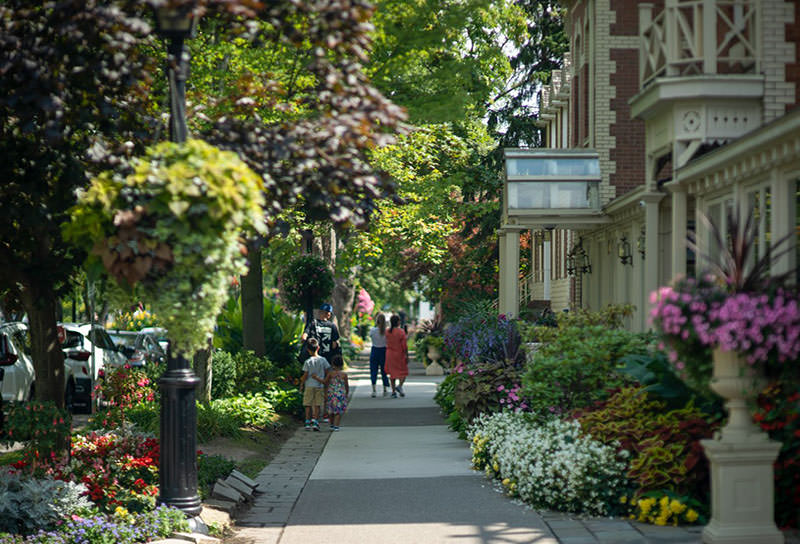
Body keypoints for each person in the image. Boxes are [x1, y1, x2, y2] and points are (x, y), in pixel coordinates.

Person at [300, 338, 330, 431]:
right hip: (319, 385)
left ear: (308, 350)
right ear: (318, 348)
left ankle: (307, 422)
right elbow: (327, 371)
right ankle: (316, 422)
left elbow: (305, 375)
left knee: (308, 404)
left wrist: (301, 383)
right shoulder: (323, 360)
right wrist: (323, 380)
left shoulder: (308, 361)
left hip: (309, 385)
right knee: (317, 405)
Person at [384, 314, 409, 398]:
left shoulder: (387, 331)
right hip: (399, 354)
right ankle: (400, 386)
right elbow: (404, 345)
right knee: (403, 372)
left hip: (389, 354)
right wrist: (407, 355)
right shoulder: (401, 332)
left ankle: (393, 391)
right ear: (398, 322)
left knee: (392, 374)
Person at [324, 354, 349, 431]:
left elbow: (325, 382)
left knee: (331, 411)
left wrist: (317, 378)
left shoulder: (331, 374)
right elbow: (346, 385)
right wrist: (346, 393)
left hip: (331, 394)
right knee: (338, 412)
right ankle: (336, 426)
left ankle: (331, 425)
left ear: (333, 364)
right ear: (342, 364)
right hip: (340, 394)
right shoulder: (344, 375)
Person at [368, 313, 390, 397]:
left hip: (375, 350)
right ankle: (385, 389)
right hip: (384, 351)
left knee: (374, 370)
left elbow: (371, 337)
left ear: (377, 321)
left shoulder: (372, 330)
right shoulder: (387, 331)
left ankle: (374, 390)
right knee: (384, 371)